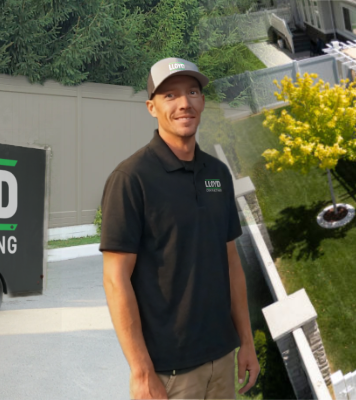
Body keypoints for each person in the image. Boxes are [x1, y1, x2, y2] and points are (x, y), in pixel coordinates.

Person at [100, 57, 259, 400]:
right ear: (151, 107)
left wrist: (246, 342)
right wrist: (141, 371)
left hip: (222, 359)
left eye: (192, 92)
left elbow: (231, 262)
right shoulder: (131, 179)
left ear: (202, 101)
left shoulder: (217, 173)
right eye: (170, 96)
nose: (184, 103)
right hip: (168, 373)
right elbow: (115, 279)